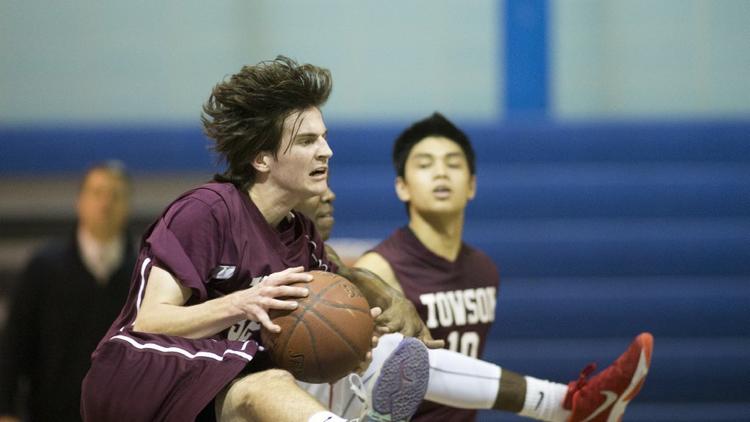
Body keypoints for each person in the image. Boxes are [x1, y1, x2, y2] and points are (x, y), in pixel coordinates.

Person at [80, 56, 433, 422]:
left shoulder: (301, 237)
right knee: (264, 386)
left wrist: (353, 339)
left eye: (324, 138)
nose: (326, 151)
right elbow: (151, 322)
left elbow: (312, 328)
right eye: (307, 140)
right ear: (261, 158)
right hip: (137, 380)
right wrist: (243, 302)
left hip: (210, 388)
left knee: (371, 354)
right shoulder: (207, 211)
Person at [296, 113, 653, 422]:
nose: (441, 174)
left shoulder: (484, 270)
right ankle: (568, 403)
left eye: (453, 164)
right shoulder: (378, 267)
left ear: (472, 185)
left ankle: (569, 404)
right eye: (425, 165)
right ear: (401, 187)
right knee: (399, 351)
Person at [0, 161, 136, 422]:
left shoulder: (144, 275)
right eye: (97, 193)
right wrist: (5, 410)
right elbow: (14, 343)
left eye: (115, 195)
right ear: (80, 202)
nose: (105, 203)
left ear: (127, 206)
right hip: (51, 411)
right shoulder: (44, 268)